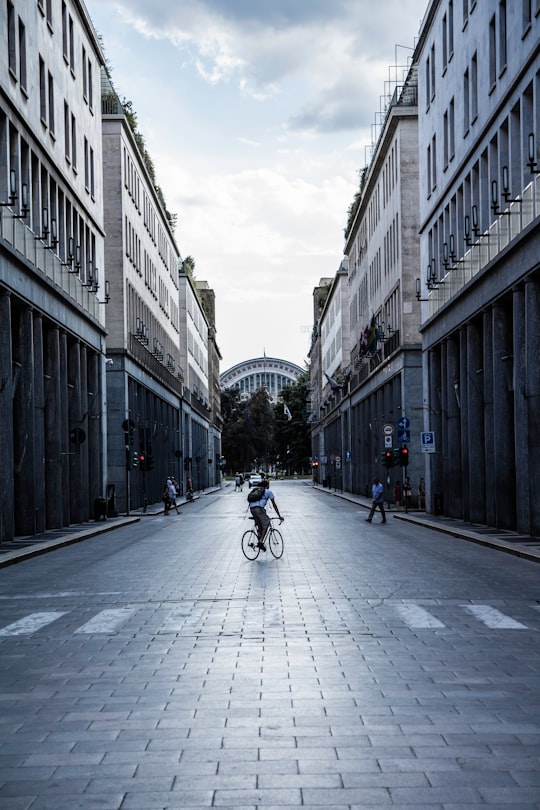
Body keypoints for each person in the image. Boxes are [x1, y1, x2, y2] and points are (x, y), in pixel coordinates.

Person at [248, 477, 284, 550]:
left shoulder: (256, 490)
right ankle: (260, 541)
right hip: (259, 509)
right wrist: (279, 516)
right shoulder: (268, 492)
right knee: (266, 523)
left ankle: (260, 541)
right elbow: (274, 505)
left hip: (252, 509)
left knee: (260, 525)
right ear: (267, 485)